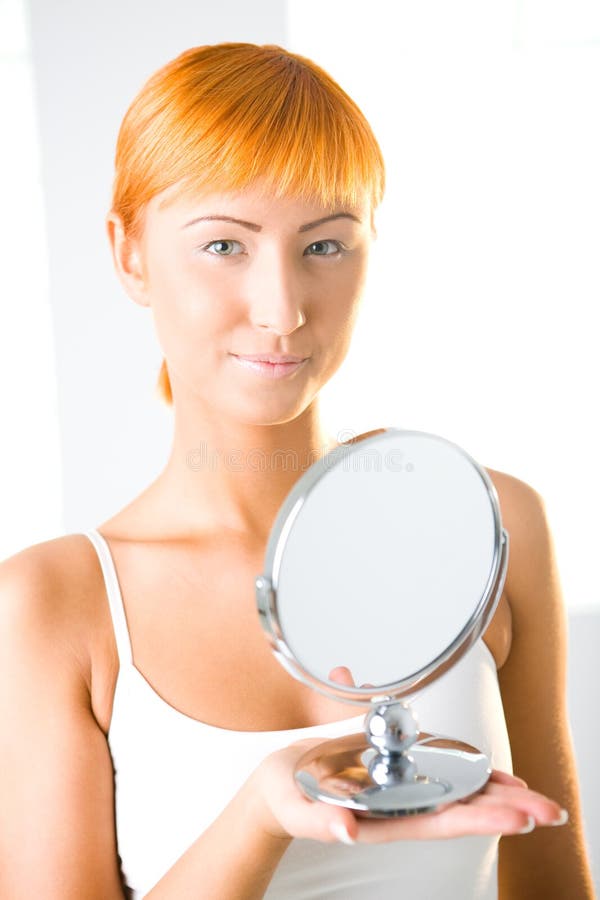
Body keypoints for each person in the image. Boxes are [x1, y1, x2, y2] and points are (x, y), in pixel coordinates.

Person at [0, 42, 594, 900]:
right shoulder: (55, 608)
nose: (280, 309)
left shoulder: (491, 524)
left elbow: (551, 883)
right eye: (223, 247)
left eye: (324, 245)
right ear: (129, 255)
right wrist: (258, 819)